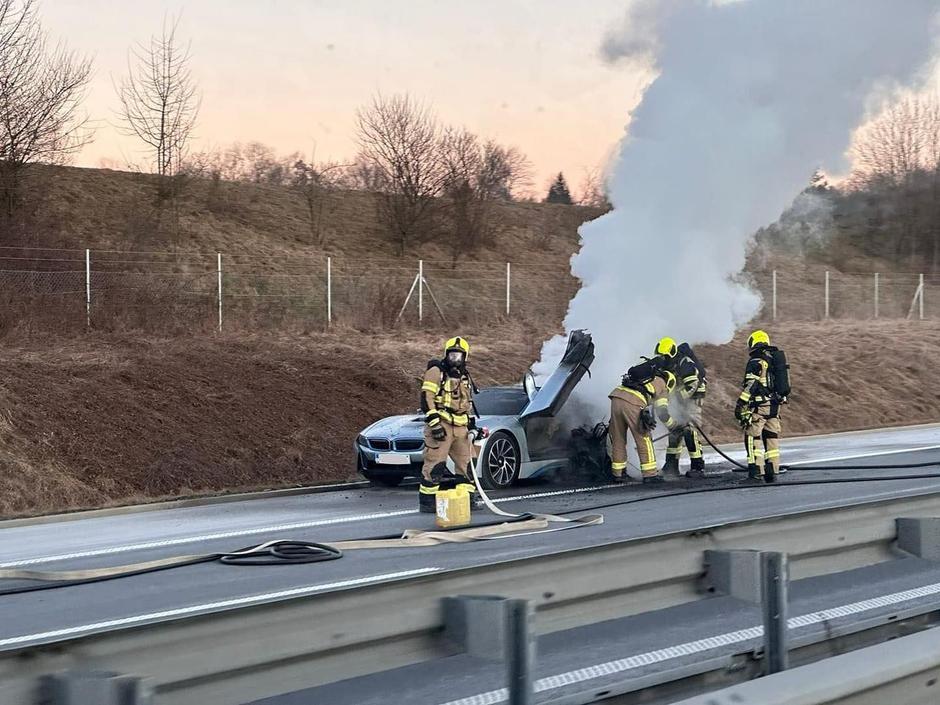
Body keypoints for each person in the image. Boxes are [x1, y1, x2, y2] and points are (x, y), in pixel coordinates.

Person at [418, 336, 482, 512]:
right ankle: (428, 502)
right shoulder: (436, 372)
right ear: (446, 354)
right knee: (435, 465)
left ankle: (466, 500)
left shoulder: (465, 377)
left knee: (468, 464)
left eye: (459, 356)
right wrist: (435, 424)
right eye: (452, 355)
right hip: (442, 425)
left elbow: (465, 404)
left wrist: (471, 426)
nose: (455, 359)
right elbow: (426, 399)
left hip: (461, 428)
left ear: (465, 357)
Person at [608, 356, 679, 484]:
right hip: (633, 402)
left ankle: (618, 474)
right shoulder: (662, 385)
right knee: (644, 438)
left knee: (618, 438)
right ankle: (650, 474)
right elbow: (662, 412)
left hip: (616, 397)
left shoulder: (648, 377)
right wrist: (673, 426)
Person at [734, 329, 784, 483]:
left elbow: (751, 384)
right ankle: (773, 471)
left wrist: (741, 403)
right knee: (771, 438)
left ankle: (756, 472)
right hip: (774, 406)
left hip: (759, 406)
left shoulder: (756, 361)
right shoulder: (773, 360)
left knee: (752, 436)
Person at [655, 337, 707, 479]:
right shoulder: (671, 364)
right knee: (675, 430)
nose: (663, 360)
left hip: (693, 399)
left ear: (671, 353)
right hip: (681, 400)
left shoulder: (685, 363)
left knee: (689, 430)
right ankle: (671, 465)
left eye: (664, 357)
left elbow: (692, 385)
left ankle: (698, 466)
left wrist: (678, 398)